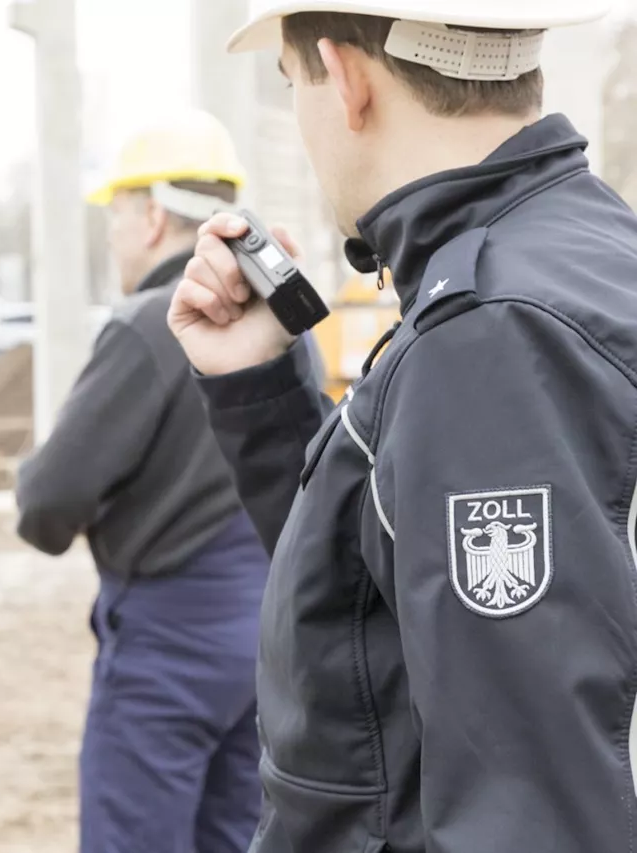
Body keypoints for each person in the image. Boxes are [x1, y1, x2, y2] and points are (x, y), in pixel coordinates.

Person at [168, 2, 637, 851]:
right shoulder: (577, 258)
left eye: (290, 81)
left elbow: (532, 810)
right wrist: (257, 387)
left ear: (344, 79)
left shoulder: (492, 334)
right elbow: (383, 609)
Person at [16, 110, 273, 853]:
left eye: (117, 222)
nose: (115, 241)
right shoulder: (273, 322)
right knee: (237, 835)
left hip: (168, 649)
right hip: (260, 643)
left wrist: (35, 478)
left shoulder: (147, 325)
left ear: (154, 215)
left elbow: (48, 501)